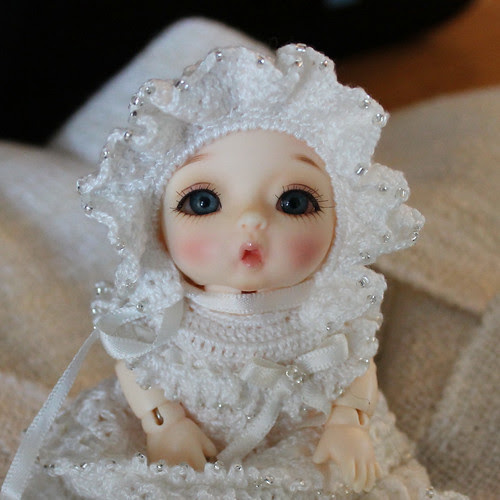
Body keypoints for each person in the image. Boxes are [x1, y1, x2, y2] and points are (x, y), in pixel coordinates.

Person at [2, 44, 466, 499]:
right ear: (153, 226)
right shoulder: (167, 313)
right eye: (203, 202)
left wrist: (348, 422)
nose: (251, 221)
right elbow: (136, 366)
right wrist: (164, 422)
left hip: (298, 442)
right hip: (180, 446)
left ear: (344, 222)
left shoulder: (325, 310)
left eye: (294, 202)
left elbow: (353, 365)